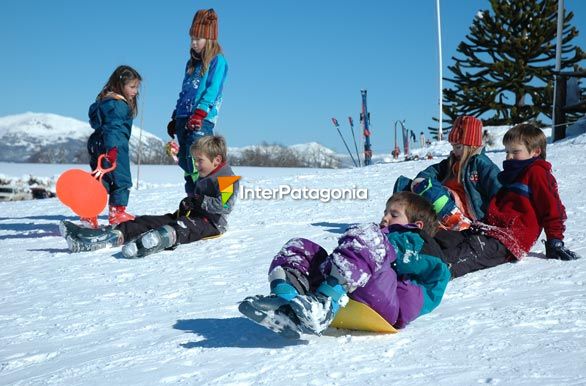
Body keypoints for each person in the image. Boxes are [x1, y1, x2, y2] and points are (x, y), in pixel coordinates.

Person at [239, 192, 450, 337]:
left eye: (394, 215)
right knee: (300, 247)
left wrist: (384, 244)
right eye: (385, 212)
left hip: (386, 304)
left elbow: (432, 275)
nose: (385, 218)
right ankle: (286, 301)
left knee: (369, 235)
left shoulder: (419, 246)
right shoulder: (381, 240)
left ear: (416, 225)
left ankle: (323, 304)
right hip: (352, 288)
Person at [436, 123, 580, 279]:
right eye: (507, 151)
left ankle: (430, 272)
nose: (509, 157)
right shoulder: (512, 174)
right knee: (448, 238)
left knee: (470, 250)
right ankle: (415, 253)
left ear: (536, 152)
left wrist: (555, 240)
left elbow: (552, 208)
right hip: (492, 229)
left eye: (515, 152)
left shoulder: (537, 173)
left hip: (512, 239)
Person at [61, 135, 238, 258]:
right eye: (195, 160)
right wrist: (189, 203)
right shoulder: (207, 172)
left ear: (216, 159)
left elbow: (225, 206)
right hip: (193, 216)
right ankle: (104, 236)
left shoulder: (227, 178)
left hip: (212, 225)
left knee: (181, 226)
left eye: (200, 160)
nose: (196, 164)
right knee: (148, 220)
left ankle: (153, 241)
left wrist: (200, 201)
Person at [394, 116, 502, 230]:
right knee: (403, 185)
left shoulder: (481, 164)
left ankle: (457, 221)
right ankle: (401, 220)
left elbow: (499, 190)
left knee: (429, 188)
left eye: (458, 147)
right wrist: (420, 181)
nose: (454, 151)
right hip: (443, 207)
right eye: (453, 146)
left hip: (465, 215)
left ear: (472, 146)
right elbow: (433, 171)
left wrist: (497, 219)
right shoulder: (451, 162)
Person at [167, 8, 228, 196]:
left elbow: (213, 89)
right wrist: (175, 116)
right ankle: (193, 203)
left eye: (198, 39)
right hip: (184, 118)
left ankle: (210, 204)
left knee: (200, 163)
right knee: (187, 165)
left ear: (209, 39)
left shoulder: (218, 61)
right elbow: (185, 91)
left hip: (201, 119)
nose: (194, 43)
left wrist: (200, 113)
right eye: (192, 38)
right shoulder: (192, 63)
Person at [86, 65, 142, 228]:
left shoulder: (104, 102)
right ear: (120, 85)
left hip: (98, 144)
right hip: (113, 145)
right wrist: (113, 150)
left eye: (137, 87)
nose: (135, 91)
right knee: (121, 178)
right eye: (132, 87)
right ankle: (117, 212)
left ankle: (89, 212)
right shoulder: (118, 105)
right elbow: (113, 129)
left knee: (100, 179)